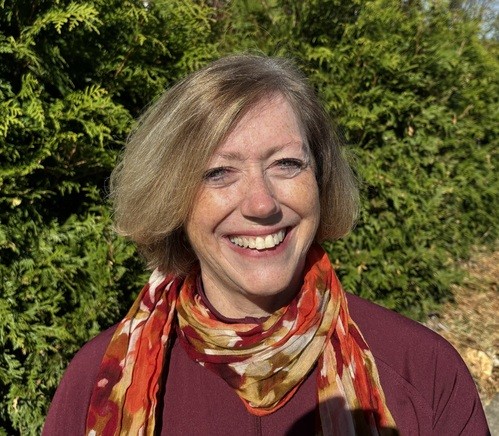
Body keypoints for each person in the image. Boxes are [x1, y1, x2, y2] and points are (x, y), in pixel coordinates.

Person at [43, 54, 489, 436]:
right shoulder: (94, 385)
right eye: (219, 172)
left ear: (320, 180)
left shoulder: (423, 372)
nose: (261, 203)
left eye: (286, 164)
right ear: (171, 196)